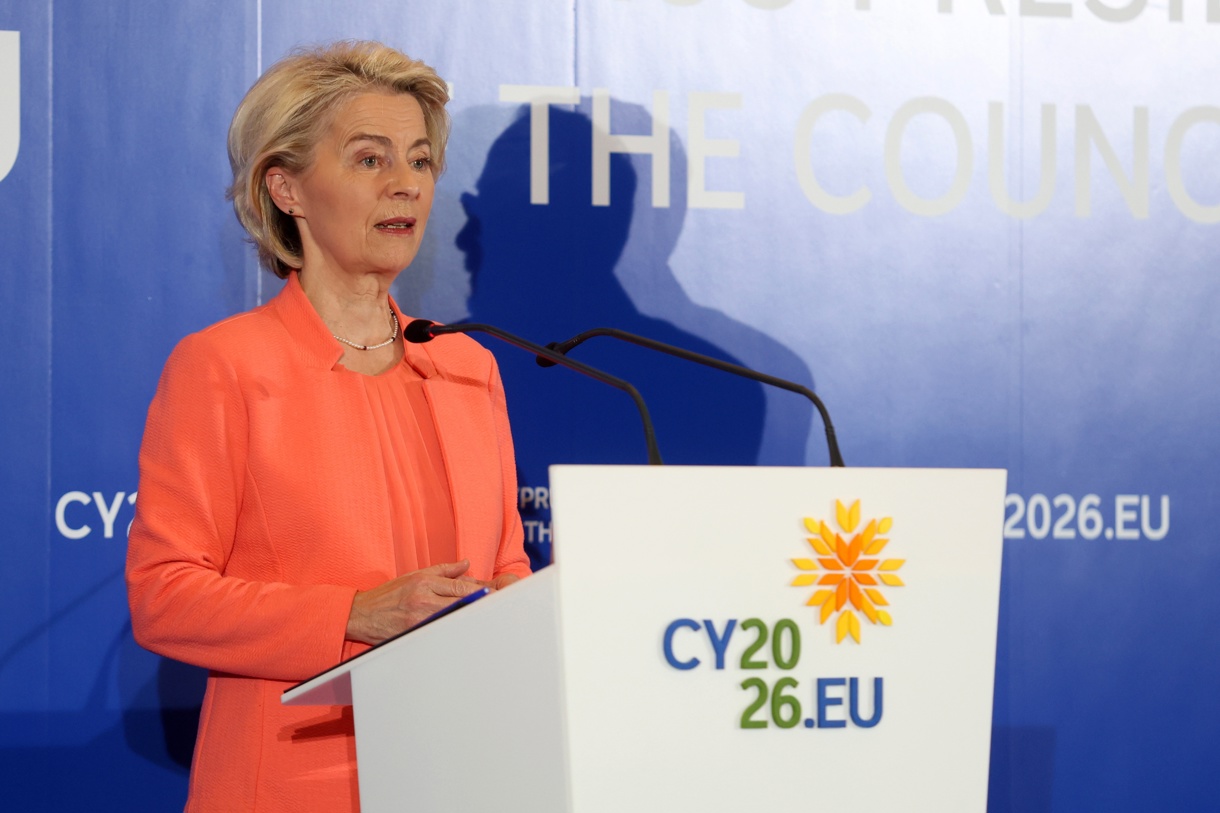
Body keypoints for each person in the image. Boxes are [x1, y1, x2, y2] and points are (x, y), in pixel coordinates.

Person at [125, 41, 530, 812]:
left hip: (458, 768)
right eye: (370, 160)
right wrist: (352, 613)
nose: (405, 184)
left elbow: (505, 566)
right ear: (287, 188)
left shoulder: (464, 364)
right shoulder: (225, 366)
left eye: (419, 160)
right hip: (288, 780)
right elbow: (164, 595)